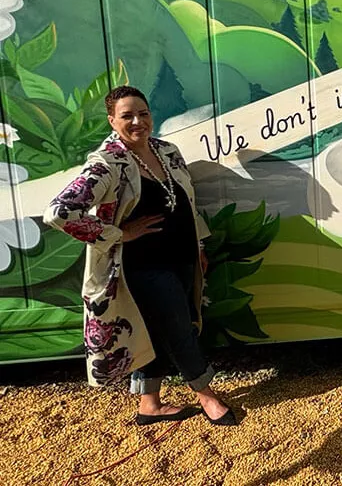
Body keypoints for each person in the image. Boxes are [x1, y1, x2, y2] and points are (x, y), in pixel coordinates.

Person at [43, 86, 238, 426]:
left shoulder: (167, 151)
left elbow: (188, 203)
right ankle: (207, 395)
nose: (138, 121)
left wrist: (201, 246)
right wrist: (119, 234)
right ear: (111, 120)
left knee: (153, 329)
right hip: (142, 267)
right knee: (179, 327)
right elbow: (59, 212)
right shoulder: (107, 164)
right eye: (127, 116)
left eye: (143, 113)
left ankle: (150, 403)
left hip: (180, 257)